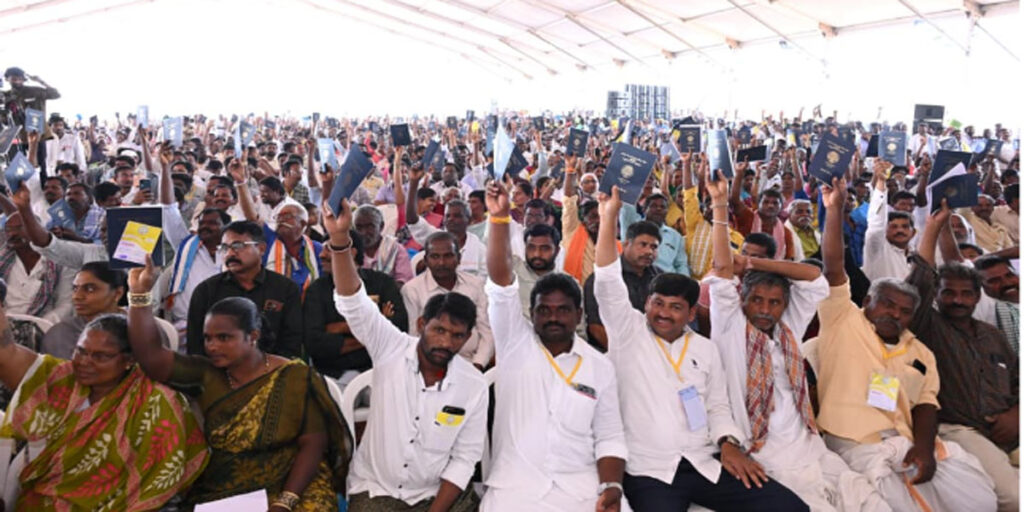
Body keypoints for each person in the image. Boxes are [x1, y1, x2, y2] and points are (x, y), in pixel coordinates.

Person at [592, 183, 807, 510]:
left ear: (691, 314)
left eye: (675, 307)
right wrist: (609, 217)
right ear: (647, 304)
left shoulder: (705, 349)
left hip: (703, 462)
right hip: (649, 469)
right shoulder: (628, 331)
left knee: (790, 508)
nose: (663, 313)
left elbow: (718, 406)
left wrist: (728, 443)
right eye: (657, 303)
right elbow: (607, 280)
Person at [705, 169, 886, 511]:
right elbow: (723, 270)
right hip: (766, 454)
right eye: (757, 300)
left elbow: (815, 276)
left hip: (811, 447)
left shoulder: (788, 327)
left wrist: (752, 262)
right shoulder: (730, 326)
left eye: (774, 303)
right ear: (742, 299)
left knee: (869, 502)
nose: (765, 309)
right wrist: (719, 204)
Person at [812, 177, 997, 511]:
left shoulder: (920, 352)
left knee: (978, 497)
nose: (895, 314)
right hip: (854, 440)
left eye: (904, 311)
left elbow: (926, 403)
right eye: (887, 304)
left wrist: (924, 447)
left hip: (906, 440)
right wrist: (835, 208)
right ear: (867, 301)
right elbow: (834, 266)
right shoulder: (843, 320)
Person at [124, 257, 352, 510]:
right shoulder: (206, 374)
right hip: (227, 486)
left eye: (224, 338)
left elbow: (313, 443)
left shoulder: (294, 375)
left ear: (252, 336)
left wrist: (285, 501)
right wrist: (139, 294)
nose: (212, 346)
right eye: (208, 338)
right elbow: (151, 358)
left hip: (294, 483)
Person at [326, 198, 485, 511]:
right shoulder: (391, 347)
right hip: (377, 490)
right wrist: (340, 240)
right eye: (439, 330)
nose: (445, 342)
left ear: (467, 338)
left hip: (436, 494)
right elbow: (353, 303)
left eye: (457, 336)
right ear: (422, 324)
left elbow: (465, 459)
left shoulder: (473, 385)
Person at [482, 181, 628, 512]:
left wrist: (612, 487)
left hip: (582, 489)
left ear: (579, 314)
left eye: (563, 310)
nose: (553, 317)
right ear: (531, 313)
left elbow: (610, 436)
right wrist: (499, 219)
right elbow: (501, 283)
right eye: (544, 310)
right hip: (515, 488)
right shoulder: (514, 342)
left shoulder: (599, 366)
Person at [0, 308, 208, 511]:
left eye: (100, 356)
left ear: (129, 360)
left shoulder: (157, 403)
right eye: (80, 351)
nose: (84, 362)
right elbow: (5, 353)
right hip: (47, 501)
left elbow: (163, 475)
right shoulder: (61, 379)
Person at [906, 204, 1019, 511]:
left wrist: (1016, 413)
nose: (958, 300)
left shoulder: (992, 334)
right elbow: (921, 280)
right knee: (1014, 496)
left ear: (977, 297)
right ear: (937, 295)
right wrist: (933, 227)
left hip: (1011, 426)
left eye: (966, 294)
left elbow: (1017, 379)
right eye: (949, 293)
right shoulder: (929, 327)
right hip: (960, 428)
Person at [186, 220, 304, 358]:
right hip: (218, 368)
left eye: (237, 246)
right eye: (224, 247)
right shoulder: (206, 291)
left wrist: (266, 367)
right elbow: (196, 347)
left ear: (261, 249)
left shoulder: (285, 289)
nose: (230, 253)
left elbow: (292, 344)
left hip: (273, 368)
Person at [304, 231, 407, 388]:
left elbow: (399, 329)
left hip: (379, 372)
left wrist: (336, 328)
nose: (321, 255)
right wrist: (377, 326)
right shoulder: (316, 290)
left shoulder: (382, 283)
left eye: (328, 249)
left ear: (351, 252)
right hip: (331, 376)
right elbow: (315, 343)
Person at [401, 231, 493, 370]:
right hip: (431, 364)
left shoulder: (476, 285)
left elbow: (486, 332)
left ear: (459, 258)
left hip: (471, 362)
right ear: (426, 260)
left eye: (448, 256)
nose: (441, 263)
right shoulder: (412, 290)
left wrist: (478, 365)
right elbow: (413, 336)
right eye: (435, 256)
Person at [232, 159, 323, 292]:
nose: (281, 220)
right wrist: (241, 182)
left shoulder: (317, 249)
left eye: (287, 217)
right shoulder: (271, 240)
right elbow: (252, 217)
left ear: (303, 223)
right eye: (278, 217)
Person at [583, 220, 661, 351]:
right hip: (611, 351)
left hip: (655, 349)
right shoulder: (603, 278)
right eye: (643, 245)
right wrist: (625, 354)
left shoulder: (660, 278)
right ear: (626, 245)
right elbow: (595, 327)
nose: (649, 251)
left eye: (654, 247)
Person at [406, 164, 487, 277]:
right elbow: (412, 220)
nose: (451, 219)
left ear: (468, 220)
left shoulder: (480, 250)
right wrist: (413, 183)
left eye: (457, 216)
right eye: (448, 216)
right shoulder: (436, 238)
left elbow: (482, 282)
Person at [40, 262, 127, 359]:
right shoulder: (61, 334)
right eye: (75, 288)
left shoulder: (135, 329)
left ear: (118, 293)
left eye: (90, 289)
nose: (77, 296)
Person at [0, 211, 73, 324]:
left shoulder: (62, 261)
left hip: (44, 325)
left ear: (38, 229)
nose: (12, 233)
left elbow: (66, 304)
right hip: (4, 324)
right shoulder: (3, 260)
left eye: (20, 228)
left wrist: (40, 325)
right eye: (8, 229)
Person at [862, 163, 916, 282]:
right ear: (885, 230)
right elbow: (876, 223)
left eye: (905, 227)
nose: (899, 230)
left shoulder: (916, 257)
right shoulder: (877, 248)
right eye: (894, 227)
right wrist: (881, 182)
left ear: (913, 233)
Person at [619, 192, 689, 275]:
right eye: (653, 206)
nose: (659, 209)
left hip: (667, 280)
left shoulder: (676, 236)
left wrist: (684, 281)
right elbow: (627, 208)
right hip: (637, 276)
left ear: (667, 211)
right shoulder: (633, 226)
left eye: (663, 207)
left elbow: (681, 265)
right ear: (644, 209)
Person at [353, 204, 413, 284]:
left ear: (381, 226)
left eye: (370, 226)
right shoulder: (351, 250)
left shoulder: (395, 249)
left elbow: (404, 282)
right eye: (359, 227)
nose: (364, 232)